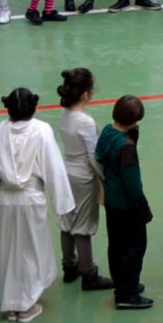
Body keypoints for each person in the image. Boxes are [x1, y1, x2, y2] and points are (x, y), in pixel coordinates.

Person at [0, 86, 76, 322]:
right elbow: (53, 167)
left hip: (6, 198)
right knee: (32, 249)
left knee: (10, 249)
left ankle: (11, 302)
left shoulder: (2, 128)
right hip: (30, 198)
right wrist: (63, 203)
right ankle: (25, 304)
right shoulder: (41, 130)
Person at [95, 97, 156, 310]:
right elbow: (133, 183)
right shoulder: (126, 147)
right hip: (127, 204)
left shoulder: (107, 133)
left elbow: (99, 157)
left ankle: (122, 285)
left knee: (117, 245)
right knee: (135, 247)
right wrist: (143, 207)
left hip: (112, 201)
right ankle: (127, 293)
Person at [53, 67, 110, 290]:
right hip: (83, 177)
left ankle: (69, 266)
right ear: (86, 94)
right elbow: (94, 156)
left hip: (66, 171)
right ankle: (88, 273)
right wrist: (105, 177)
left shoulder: (64, 116)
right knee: (83, 226)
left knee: (67, 221)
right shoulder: (85, 121)